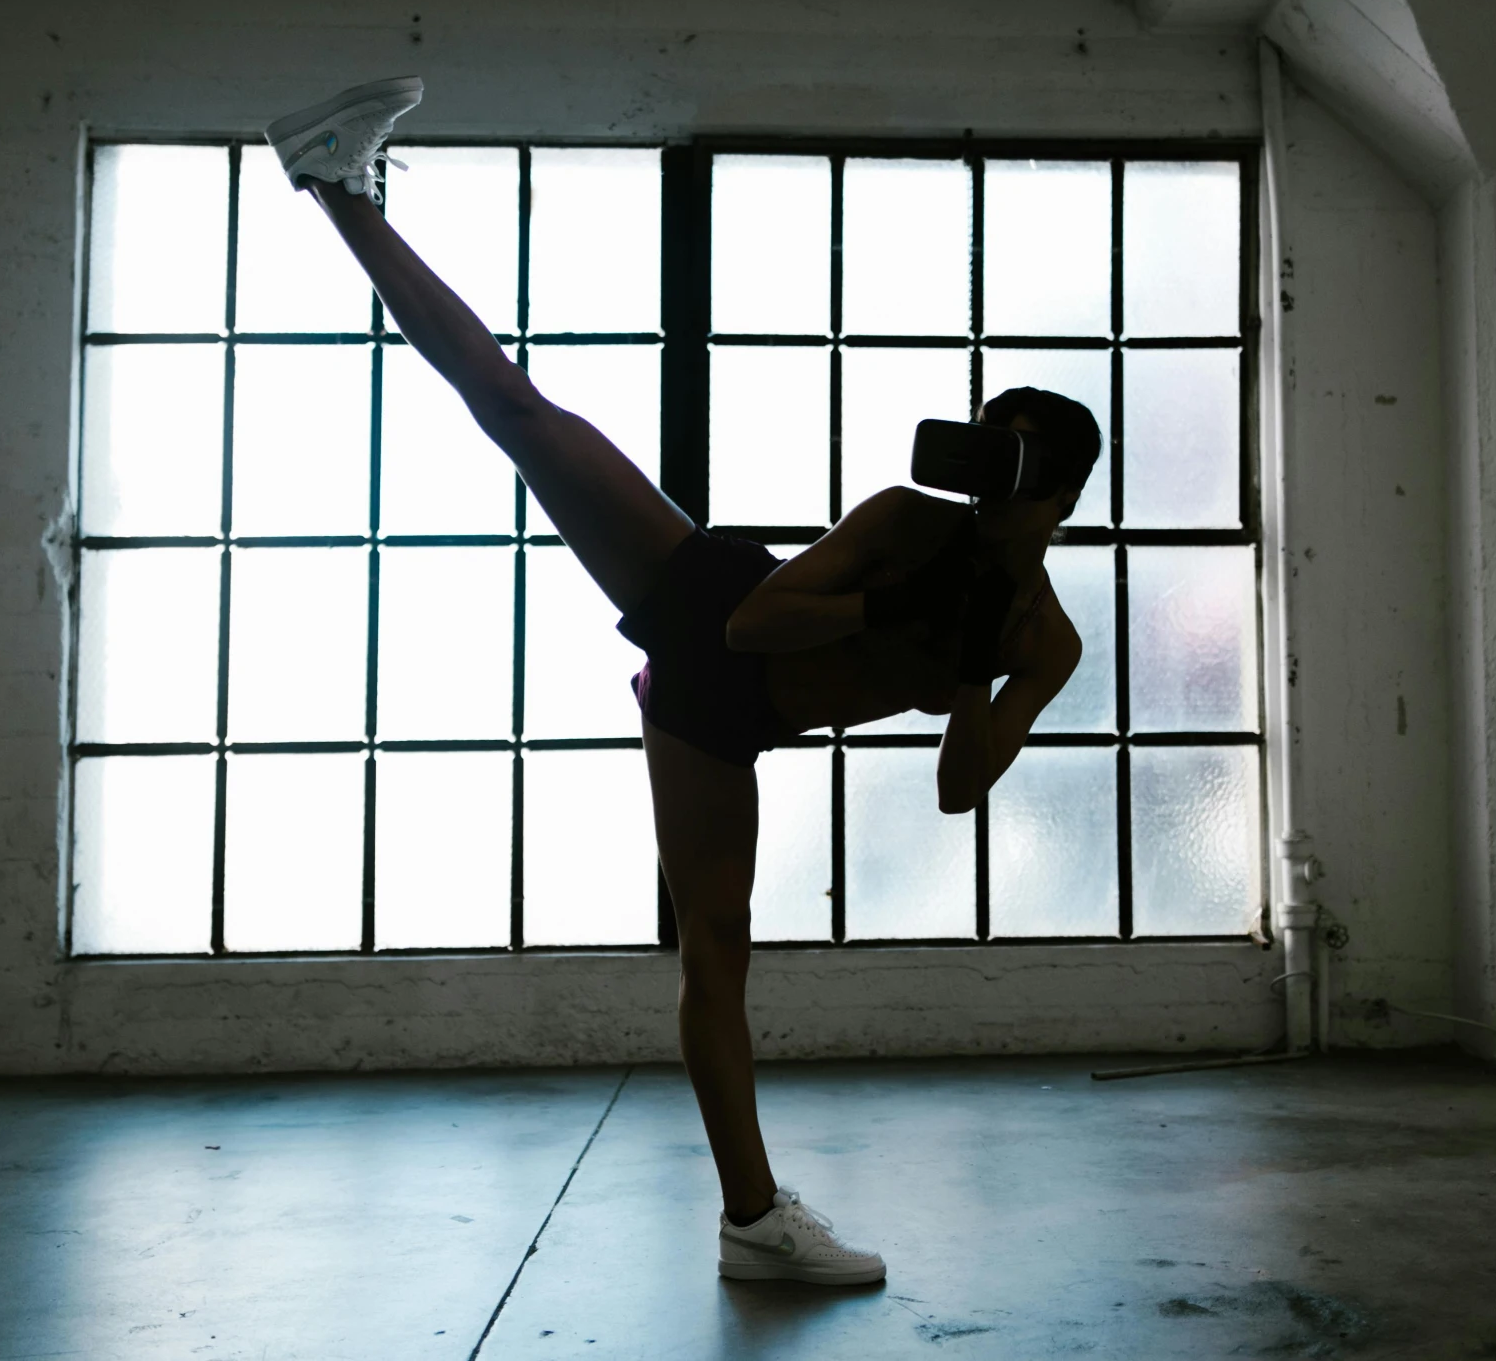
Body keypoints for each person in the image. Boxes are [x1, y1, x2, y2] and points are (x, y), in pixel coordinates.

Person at [265, 77, 1099, 1287]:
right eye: (981, 441)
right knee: (512, 406)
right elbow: (757, 621)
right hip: (701, 596)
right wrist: (888, 604)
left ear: (1056, 493)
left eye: (1006, 459)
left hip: (721, 717)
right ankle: (338, 185)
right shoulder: (908, 522)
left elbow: (960, 792)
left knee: (717, 950)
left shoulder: (1044, 642)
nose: (979, 476)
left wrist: (969, 668)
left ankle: (752, 1228)